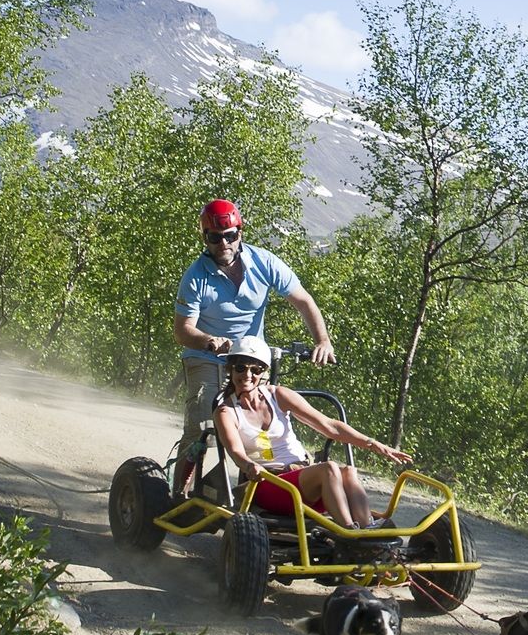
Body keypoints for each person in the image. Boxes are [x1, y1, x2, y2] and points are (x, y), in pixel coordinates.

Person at [173, 198, 335, 494]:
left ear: (240, 233)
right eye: (215, 237)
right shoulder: (195, 277)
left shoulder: (264, 262)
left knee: (265, 424)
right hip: (207, 357)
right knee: (204, 427)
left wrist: (322, 341)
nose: (223, 243)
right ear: (205, 239)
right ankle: (180, 493)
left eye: (230, 235)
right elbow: (182, 331)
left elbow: (303, 301)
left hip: (249, 358)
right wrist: (210, 341)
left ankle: (258, 492)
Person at [213, 336, 410, 531]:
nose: (247, 375)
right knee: (328, 468)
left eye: (255, 369)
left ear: (263, 372)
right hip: (268, 483)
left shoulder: (277, 395)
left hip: (302, 477)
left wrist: (373, 443)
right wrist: (249, 466)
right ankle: (350, 532)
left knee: (348, 472)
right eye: (240, 367)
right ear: (230, 368)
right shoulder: (226, 412)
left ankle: (369, 532)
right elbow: (236, 452)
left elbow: (330, 426)